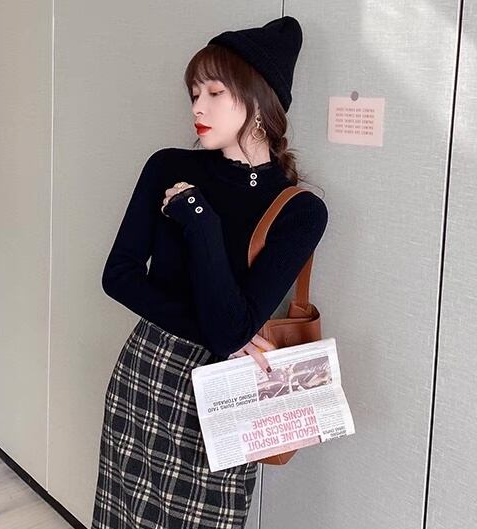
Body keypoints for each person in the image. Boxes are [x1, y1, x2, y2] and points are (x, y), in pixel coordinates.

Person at [91, 15, 328, 529]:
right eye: (194, 93)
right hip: (149, 370)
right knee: (120, 515)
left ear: (260, 102)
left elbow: (230, 328)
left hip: (228, 390)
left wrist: (199, 218)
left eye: (215, 92)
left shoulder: (301, 210)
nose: (198, 107)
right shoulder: (168, 166)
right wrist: (225, 334)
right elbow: (119, 275)